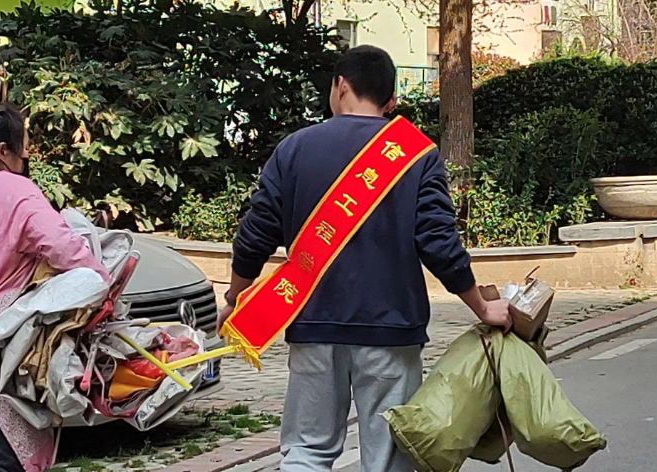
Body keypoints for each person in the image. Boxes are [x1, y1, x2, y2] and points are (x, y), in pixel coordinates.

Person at [216, 46, 512, 472]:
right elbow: (439, 243)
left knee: (306, 451)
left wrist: (235, 298)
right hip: (391, 330)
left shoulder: (295, 148)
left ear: (341, 85)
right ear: (391, 100)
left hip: (314, 325)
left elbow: (255, 235)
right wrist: (481, 307)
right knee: (389, 458)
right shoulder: (417, 153)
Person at [0, 104, 110, 472]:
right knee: (11, 460)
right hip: (2, 351)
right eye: (23, 151)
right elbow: (60, 245)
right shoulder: (13, 189)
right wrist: (100, 280)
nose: (26, 159)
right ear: (3, 152)